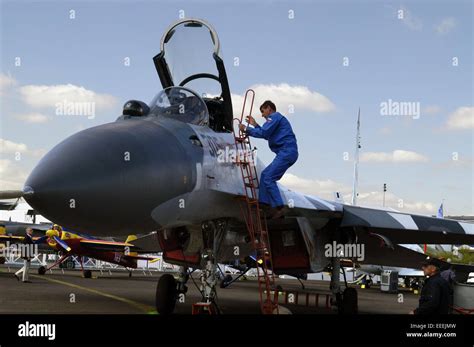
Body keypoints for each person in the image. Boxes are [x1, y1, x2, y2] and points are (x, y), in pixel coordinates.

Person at [239, 100, 298, 219]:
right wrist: (255, 125)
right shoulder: (276, 121)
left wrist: (246, 129)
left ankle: (279, 207)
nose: (262, 115)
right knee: (265, 175)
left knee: (269, 178)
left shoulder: (275, 117)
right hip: (286, 153)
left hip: (286, 152)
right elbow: (266, 134)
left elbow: (264, 132)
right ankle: (264, 205)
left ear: (269, 108)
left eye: (263, 111)